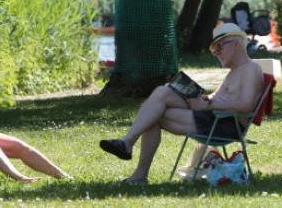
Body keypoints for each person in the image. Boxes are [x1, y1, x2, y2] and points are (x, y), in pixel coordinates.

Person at [99, 23, 264, 184]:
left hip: (224, 124)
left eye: (219, 47)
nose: (217, 53)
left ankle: (134, 161)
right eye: (214, 50)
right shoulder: (235, 71)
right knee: (163, 91)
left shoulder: (250, 68)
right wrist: (199, 97)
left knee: (154, 116)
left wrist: (208, 105)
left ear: (235, 44)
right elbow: (218, 98)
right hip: (213, 117)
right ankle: (128, 146)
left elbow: (246, 105)